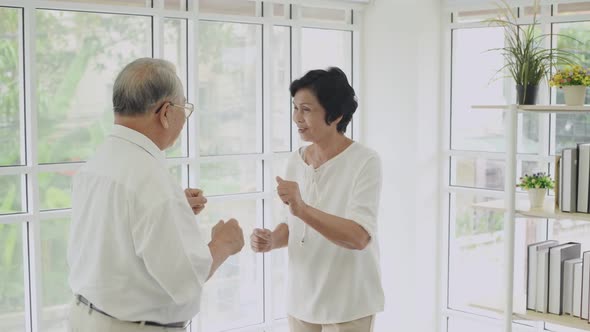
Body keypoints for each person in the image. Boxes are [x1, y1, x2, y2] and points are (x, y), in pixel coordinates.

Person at [67, 58, 245, 332]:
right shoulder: (152, 181)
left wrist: (175, 209)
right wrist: (224, 243)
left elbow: (115, 230)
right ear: (165, 112)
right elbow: (186, 279)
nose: (184, 119)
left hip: (86, 319)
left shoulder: (98, 162)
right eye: (184, 108)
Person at [250, 67, 384, 332]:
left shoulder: (365, 161)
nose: (297, 118)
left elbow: (359, 237)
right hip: (301, 301)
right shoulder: (295, 160)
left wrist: (302, 209)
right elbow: (292, 227)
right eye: (295, 108)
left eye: (307, 110)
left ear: (335, 115)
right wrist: (271, 239)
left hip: (349, 305)